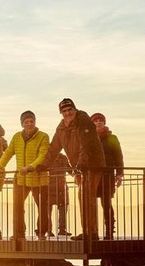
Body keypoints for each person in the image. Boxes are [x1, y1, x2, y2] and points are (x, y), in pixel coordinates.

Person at [46, 98, 107, 241]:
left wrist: (82, 163)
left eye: (70, 110)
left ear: (74, 109)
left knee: (86, 197)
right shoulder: (61, 127)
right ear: (61, 113)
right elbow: (53, 148)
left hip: (92, 166)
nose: (67, 113)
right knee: (84, 197)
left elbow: (85, 145)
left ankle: (90, 233)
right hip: (79, 168)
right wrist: (42, 165)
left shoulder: (84, 121)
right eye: (64, 111)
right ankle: (89, 231)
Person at [0, 110, 51, 240]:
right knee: (18, 207)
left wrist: (32, 166)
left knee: (42, 207)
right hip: (21, 179)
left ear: (35, 122)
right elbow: (8, 153)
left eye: (31, 121)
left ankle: (42, 233)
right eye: (26, 122)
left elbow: (43, 154)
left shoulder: (43, 136)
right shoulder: (16, 137)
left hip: (39, 178)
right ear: (22, 124)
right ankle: (19, 234)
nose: (29, 124)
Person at [91, 112, 124, 240]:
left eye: (100, 120)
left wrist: (119, 174)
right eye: (95, 121)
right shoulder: (90, 138)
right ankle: (92, 232)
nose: (98, 122)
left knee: (106, 203)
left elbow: (118, 156)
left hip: (108, 175)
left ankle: (109, 231)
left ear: (104, 122)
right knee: (90, 204)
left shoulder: (112, 138)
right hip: (93, 175)